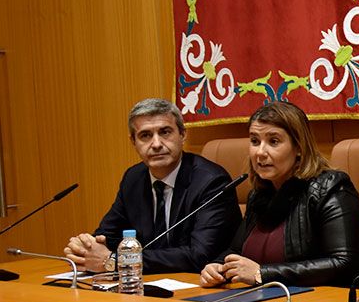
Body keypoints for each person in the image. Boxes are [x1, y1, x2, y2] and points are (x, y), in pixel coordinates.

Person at [199, 102, 359, 288]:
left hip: (345, 299)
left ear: (299, 147)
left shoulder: (332, 188)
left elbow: (343, 262)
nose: (260, 152)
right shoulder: (260, 194)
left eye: (273, 141)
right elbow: (236, 250)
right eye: (255, 141)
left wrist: (262, 273)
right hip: (277, 298)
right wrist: (218, 266)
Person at [64, 98, 240, 274]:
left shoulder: (211, 181)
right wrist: (85, 248)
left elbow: (199, 255)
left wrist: (116, 261)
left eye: (165, 132)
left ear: (182, 134)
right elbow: (109, 235)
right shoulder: (134, 178)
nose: (156, 144)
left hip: (198, 282)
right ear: (133, 142)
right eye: (145, 135)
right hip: (147, 283)